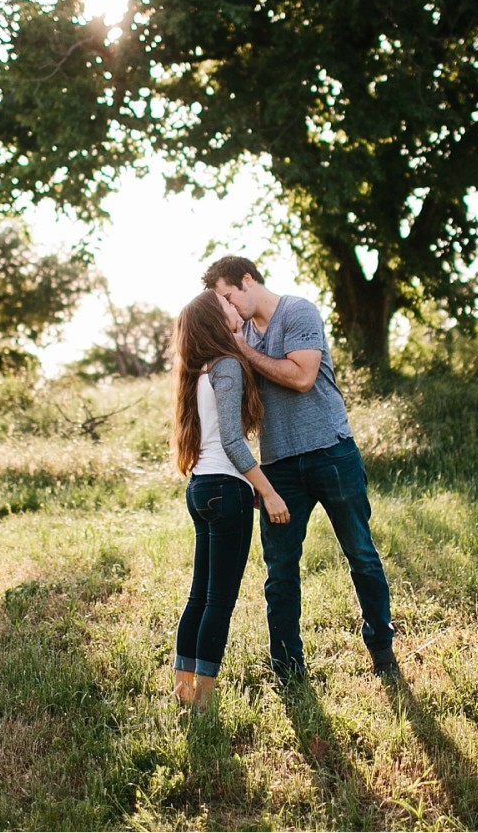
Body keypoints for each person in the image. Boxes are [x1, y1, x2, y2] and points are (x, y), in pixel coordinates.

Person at [202, 255, 398, 683]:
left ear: (248, 280)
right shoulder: (244, 335)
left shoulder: (298, 311)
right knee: (281, 571)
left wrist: (242, 350)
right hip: (280, 467)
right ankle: (287, 668)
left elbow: (301, 377)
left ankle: (382, 651)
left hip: (332, 452)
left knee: (361, 554)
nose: (228, 308)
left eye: (229, 296)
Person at [170, 289, 292, 708]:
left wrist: (248, 491)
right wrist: (269, 492)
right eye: (223, 304)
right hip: (225, 492)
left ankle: (184, 690)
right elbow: (234, 444)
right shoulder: (227, 365)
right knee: (218, 600)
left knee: (199, 596)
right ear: (214, 319)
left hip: (201, 489)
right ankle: (203, 700)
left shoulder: (198, 371)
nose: (231, 306)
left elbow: (216, 445)